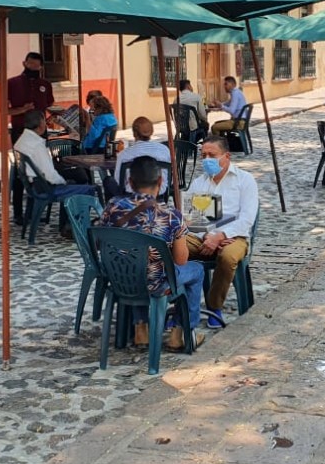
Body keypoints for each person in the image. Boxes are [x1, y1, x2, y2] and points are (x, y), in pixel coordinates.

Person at [99, 156, 205, 351]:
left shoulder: (112, 207)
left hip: (120, 280)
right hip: (156, 284)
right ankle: (180, 333)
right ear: (160, 182)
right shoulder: (171, 216)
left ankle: (141, 328)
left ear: (130, 183)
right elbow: (181, 260)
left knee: (134, 263)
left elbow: (101, 242)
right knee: (197, 270)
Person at [185, 136, 258, 328]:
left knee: (227, 257)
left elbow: (247, 218)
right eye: (204, 155)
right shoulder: (200, 183)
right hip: (203, 235)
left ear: (226, 156)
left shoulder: (244, 180)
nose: (207, 159)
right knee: (174, 248)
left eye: (212, 155)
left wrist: (221, 236)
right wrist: (207, 237)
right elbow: (192, 220)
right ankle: (181, 308)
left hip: (235, 236)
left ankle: (214, 306)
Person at [13, 110, 98, 237]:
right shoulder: (37, 145)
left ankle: (66, 224)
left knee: (74, 180)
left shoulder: (21, 141)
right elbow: (50, 174)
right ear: (40, 125)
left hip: (33, 185)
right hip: (45, 187)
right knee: (87, 189)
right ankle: (76, 227)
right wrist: (63, 182)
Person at [8, 52, 54, 225]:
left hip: (41, 133)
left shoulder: (45, 85)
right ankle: (19, 214)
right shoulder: (12, 83)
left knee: (40, 170)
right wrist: (23, 109)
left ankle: (36, 210)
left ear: (41, 67)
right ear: (24, 63)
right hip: (21, 133)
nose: (33, 68)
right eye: (30, 64)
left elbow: (48, 106)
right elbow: (4, 111)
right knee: (22, 173)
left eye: (36, 66)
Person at [105, 116, 171, 200]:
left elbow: (119, 180)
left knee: (108, 181)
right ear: (151, 132)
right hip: (158, 194)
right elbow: (169, 177)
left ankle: (112, 208)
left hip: (130, 195)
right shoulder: (165, 150)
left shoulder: (124, 154)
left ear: (134, 133)